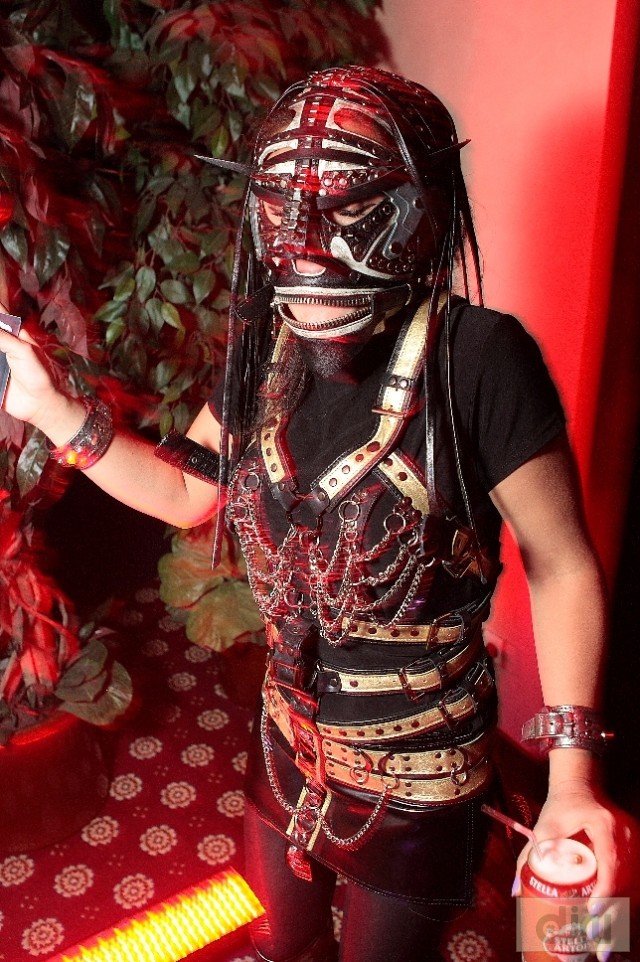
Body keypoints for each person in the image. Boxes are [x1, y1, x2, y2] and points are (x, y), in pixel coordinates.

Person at [0, 65, 633, 962]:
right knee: (277, 939)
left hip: (420, 771)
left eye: (349, 212)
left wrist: (572, 777)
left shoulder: (482, 360)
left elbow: (561, 562)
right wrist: (52, 410)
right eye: (288, 215)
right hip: (286, 741)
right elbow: (186, 491)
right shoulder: (269, 349)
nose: (310, 256)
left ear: (415, 212)